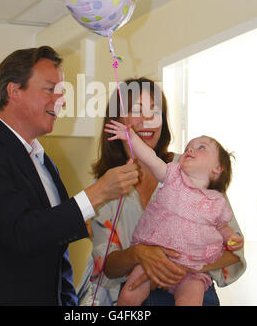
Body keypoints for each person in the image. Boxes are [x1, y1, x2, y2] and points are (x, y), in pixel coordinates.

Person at [0, 46, 138, 306]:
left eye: (62, 92)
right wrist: (98, 193)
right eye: (50, 89)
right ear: (14, 91)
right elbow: (21, 232)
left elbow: (53, 241)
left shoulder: (43, 161)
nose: (61, 99)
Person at [77, 78, 246, 306]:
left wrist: (184, 265)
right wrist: (138, 253)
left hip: (193, 290)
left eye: (155, 111)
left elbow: (233, 251)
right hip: (136, 292)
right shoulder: (106, 185)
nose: (147, 120)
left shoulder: (194, 170)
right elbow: (107, 266)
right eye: (137, 110)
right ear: (116, 120)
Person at [105, 119, 243, 306]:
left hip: (192, 268)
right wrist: (131, 137)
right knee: (130, 295)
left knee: (191, 299)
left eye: (201, 147)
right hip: (152, 263)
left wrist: (232, 239)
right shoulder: (172, 175)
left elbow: (223, 227)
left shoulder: (216, 201)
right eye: (188, 147)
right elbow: (150, 158)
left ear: (217, 169)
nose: (190, 150)